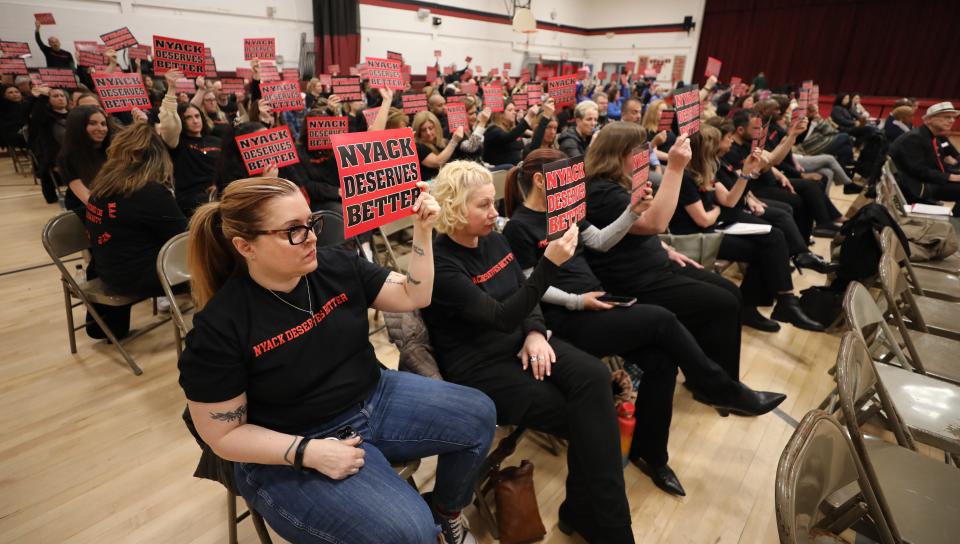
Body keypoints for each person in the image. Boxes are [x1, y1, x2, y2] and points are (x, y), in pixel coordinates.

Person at [178, 176, 494, 544]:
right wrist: (306, 452)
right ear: (246, 246)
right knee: (409, 533)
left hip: (374, 396)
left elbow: (414, 296)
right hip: (293, 440)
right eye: (292, 231)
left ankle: (445, 513)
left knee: (479, 414)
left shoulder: (336, 265)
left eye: (311, 223)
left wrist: (422, 232)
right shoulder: (220, 326)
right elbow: (222, 434)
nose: (311, 237)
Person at [502, 149, 787, 493]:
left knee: (661, 363)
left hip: (598, 301)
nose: (574, 183)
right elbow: (531, 286)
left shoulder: (566, 209)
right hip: (566, 319)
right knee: (662, 319)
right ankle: (719, 387)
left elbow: (600, 242)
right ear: (540, 180)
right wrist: (578, 302)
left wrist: (631, 212)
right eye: (566, 177)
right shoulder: (519, 226)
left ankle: (651, 455)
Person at [423, 160, 634, 542]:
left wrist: (536, 331)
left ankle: (590, 518)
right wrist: (549, 266)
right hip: (482, 366)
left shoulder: (493, 238)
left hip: (522, 340)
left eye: (493, 203)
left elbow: (521, 294)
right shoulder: (443, 267)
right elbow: (503, 315)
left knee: (596, 378)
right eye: (483, 206)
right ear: (454, 209)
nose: (494, 213)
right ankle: (606, 526)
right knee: (586, 417)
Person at [584, 123, 746, 379]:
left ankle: (716, 378)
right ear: (618, 153)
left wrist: (665, 247)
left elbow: (637, 229)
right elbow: (653, 223)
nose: (644, 153)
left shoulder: (620, 181)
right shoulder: (601, 191)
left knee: (731, 293)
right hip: (634, 278)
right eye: (638, 149)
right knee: (722, 303)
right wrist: (675, 167)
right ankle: (717, 383)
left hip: (655, 263)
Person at [671, 125, 825, 332]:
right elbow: (703, 220)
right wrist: (716, 210)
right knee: (770, 243)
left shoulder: (706, 170)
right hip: (698, 236)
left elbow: (729, 199)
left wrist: (745, 174)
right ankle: (780, 303)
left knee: (773, 240)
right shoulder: (686, 177)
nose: (722, 146)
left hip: (715, 228)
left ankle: (780, 302)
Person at [83, 120, 187, 300]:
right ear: (158, 157)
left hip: (107, 269)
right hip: (135, 277)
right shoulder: (148, 191)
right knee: (226, 265)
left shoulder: (101, 185)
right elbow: (183, 239)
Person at [158, 70, 222, 217]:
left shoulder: (216, 140)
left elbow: (226, 167)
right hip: (192, 200)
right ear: (181, 121)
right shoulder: (177, 143)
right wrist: (172, 88)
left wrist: (219, 184)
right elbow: (169, 124)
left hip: (220, 193)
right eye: (188, 118)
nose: (195, 120)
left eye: (197, 116)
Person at [889, 101, 960, 215]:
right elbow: (919, 171)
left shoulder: (927, 135)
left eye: (953, 117)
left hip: (922, 181)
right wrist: (953, 177)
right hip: (917, 187)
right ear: (929, 119)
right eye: (947, 117)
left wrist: (955, 174)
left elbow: (936, 166)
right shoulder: (914, 138)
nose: (952, 120)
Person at [58, 105, 115, 212]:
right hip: (89, 210)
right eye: (92, 123)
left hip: (113, 204)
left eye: (103, 124)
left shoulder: (111, 150)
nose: (101, 128)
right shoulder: (68, 157)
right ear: (78, 126)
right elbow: (87, 198)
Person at [28, 86, 70, 204]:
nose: (60, 98)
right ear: (49, 100)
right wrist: (42, 96)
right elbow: (35, 116)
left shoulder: (74, 114)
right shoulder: (45, 117)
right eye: (55, 96)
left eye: (62, 96)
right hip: (54, 155)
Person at [413, 111, 464, 181]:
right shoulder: (418, 147)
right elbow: (437, 162)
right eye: (423, 130)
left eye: (431, 128)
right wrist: (454, 141)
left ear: (437, 126)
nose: (428, 133)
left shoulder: (444, 142)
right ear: (418, 132)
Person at [482, 100, 533, 168]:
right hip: (500, 172)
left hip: (516, 169)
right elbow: (508, 137)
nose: (514, 112)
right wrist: (527, 118)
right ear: (500, 114)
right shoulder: (492, 130)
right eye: (510, 110)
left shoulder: (511, 130)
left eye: (515, 110)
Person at [0, 84, 30, 150]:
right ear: (4, 96)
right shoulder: (3, 106)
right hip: (14, 135)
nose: (14, 94)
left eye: (17, 92)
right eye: (10, 92)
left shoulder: (25, 104)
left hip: (27, 133)